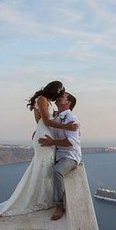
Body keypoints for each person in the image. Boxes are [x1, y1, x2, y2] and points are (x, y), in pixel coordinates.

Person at [0, 81, 78, 224]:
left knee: (44, 166)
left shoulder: (44, 100)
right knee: (43, 165)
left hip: (45, 134)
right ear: (54, 91)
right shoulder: (42, 99)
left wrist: (41, 130)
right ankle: (43, 199)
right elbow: (46, 121)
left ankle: (43, 197)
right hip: (45, 137)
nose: (58, 96)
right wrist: (67, 127)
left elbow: (44, 120)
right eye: (59, 93)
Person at [38, 91, 81, 221]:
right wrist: (38, 131)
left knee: (57, 171)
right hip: (58, 154)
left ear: (68, 103)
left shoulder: (71, 119)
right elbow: (48, 126)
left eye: (63, 96)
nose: (59, 96)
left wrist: (52, 142)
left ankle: (59, 205)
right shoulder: (57, 117)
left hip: (70, 156)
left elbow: (71, 143)